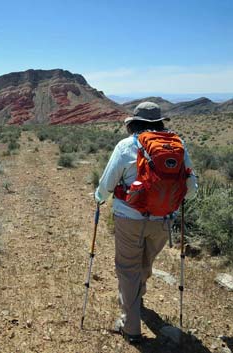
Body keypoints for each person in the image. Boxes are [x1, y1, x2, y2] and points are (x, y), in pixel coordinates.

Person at [94, 102, 197, 344]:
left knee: (128, 270)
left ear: (134, 122)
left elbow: (107, 184)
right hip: (162, 220)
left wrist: (99, 198)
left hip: (129, 218)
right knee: (145, 263)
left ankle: (130, 326)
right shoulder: (178, 145)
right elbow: (191, 190)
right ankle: (137, 297)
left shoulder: (126, 146)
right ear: (159, 122)